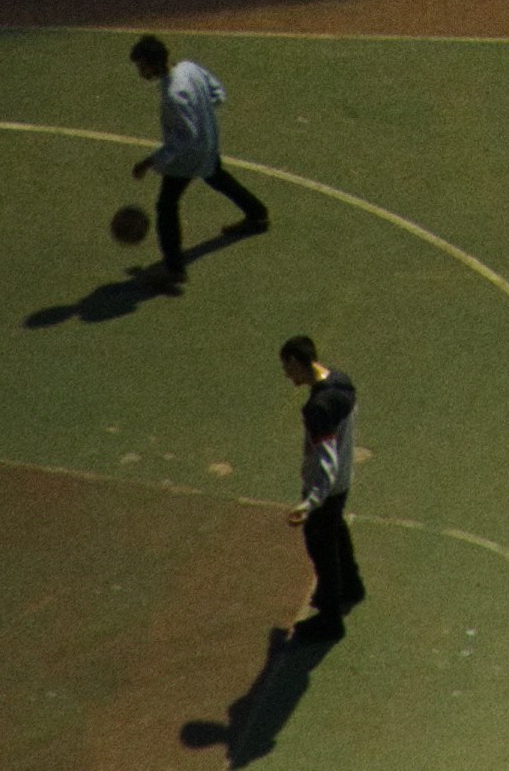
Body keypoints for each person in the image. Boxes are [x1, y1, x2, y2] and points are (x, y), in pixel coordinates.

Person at [136, 35, 270, 283]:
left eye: (142, 66)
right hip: (208, 143)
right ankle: (257, 213)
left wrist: (150, 161)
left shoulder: (172, 96)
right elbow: (217, 93)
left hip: (189, 158)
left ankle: (174, 268)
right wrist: (202, 112)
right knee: (217, 177)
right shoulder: (189, 68)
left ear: (153, 64)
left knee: (166, 207)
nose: (140, 71)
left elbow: (184, 139)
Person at [279, 335, 365, 632]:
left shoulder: (318, 408)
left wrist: (310, 502)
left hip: (326, 490)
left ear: (295, 362)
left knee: (322, 549)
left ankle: (329, 619)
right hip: (342, 483)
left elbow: (325, 460)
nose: (287, 375)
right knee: (336, 532)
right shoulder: (342, 383)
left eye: (287, 368)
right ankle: (351, 586)